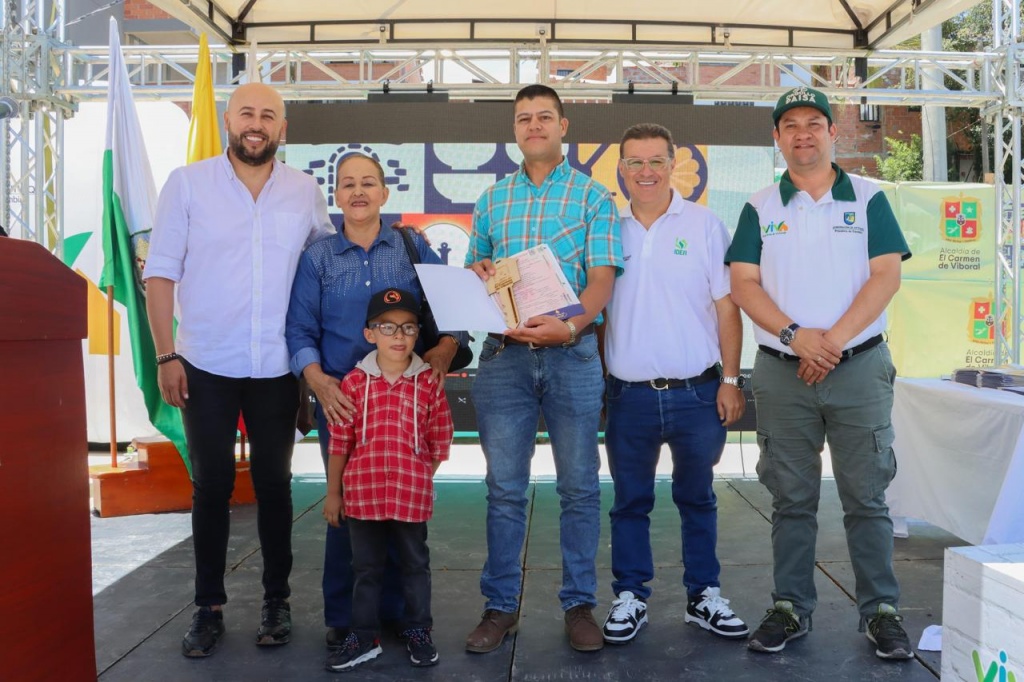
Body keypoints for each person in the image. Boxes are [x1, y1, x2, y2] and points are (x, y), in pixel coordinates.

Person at [144, 82, 334, 658]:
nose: (257, 123)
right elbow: (160, 274)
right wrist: (165, 354)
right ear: (230, 119)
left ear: (283, 128)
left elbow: (326, 264)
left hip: (277, 365)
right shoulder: (188, 184)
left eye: (269, 115)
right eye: (247, 112)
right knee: (212, 488)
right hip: (203, 362)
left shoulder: (304, 190)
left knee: (276, 487)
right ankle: (208, 608)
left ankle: (277, 602)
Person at [726, 86, 913, 660]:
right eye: (790, 125)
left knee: (866, 496)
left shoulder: (869, 197)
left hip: (857, 368)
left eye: (814, 123)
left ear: (833, 132)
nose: (802, 134)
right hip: (783, 372)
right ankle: (790, 606)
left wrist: (828, 343)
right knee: (791, 496)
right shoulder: (759, 205)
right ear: (777, 138)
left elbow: (885, 276)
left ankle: (881, 610)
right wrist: (795, 337)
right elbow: (743, 284)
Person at [285, 153, 464, 660]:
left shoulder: (412, 247)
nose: (358, 192)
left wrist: (446, 347)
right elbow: (299, 328)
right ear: (336, 196)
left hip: (404, 398)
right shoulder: (317, 258)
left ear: (385, 194)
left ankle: (400, 620)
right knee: (348, 517)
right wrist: (317, 380)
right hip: (343, 404)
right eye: (347, 185)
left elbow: (450, 307)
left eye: (368, 183)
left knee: (403, 521)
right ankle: (347, 621)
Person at [464, 84, 622, 653]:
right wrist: (480, 271)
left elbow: (601, 281)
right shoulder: (491, 200)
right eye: (524, 118)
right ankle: (499, 607)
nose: (534, 125)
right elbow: (474, 270)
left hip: (573, 355)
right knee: (504, 489)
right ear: (515, 128)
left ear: (563, 126)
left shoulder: (594, 198)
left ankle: (579, 606)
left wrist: (573, 325)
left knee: (579, 488)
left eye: (544, 117)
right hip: (505, 360)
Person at [599, 123, 748, 645]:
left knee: (698, 498)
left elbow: (728, 309)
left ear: (673, 165)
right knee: (629, 502)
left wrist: (731, 380)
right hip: (629, 396)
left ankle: (703, 596)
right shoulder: (606, 228)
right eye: (635, 161)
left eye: (655, 161)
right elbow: (597, 315)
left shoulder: (706, 226)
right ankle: (631, 596)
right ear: (619, 169)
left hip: (697, 393)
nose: (645, 171)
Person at [321, 288, 453, 673]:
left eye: (408, 328)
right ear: (370, 334)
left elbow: (439, 438)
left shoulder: (428, 383)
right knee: (365, 568)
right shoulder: (355, 383)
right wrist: (334, 493)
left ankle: (418, 631)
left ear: (417, 334)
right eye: (388, 327)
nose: (399, 336)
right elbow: (340, 442)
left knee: (414, 564)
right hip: (362, 495)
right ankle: (363, 636)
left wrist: (420, 478)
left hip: (411, 497)